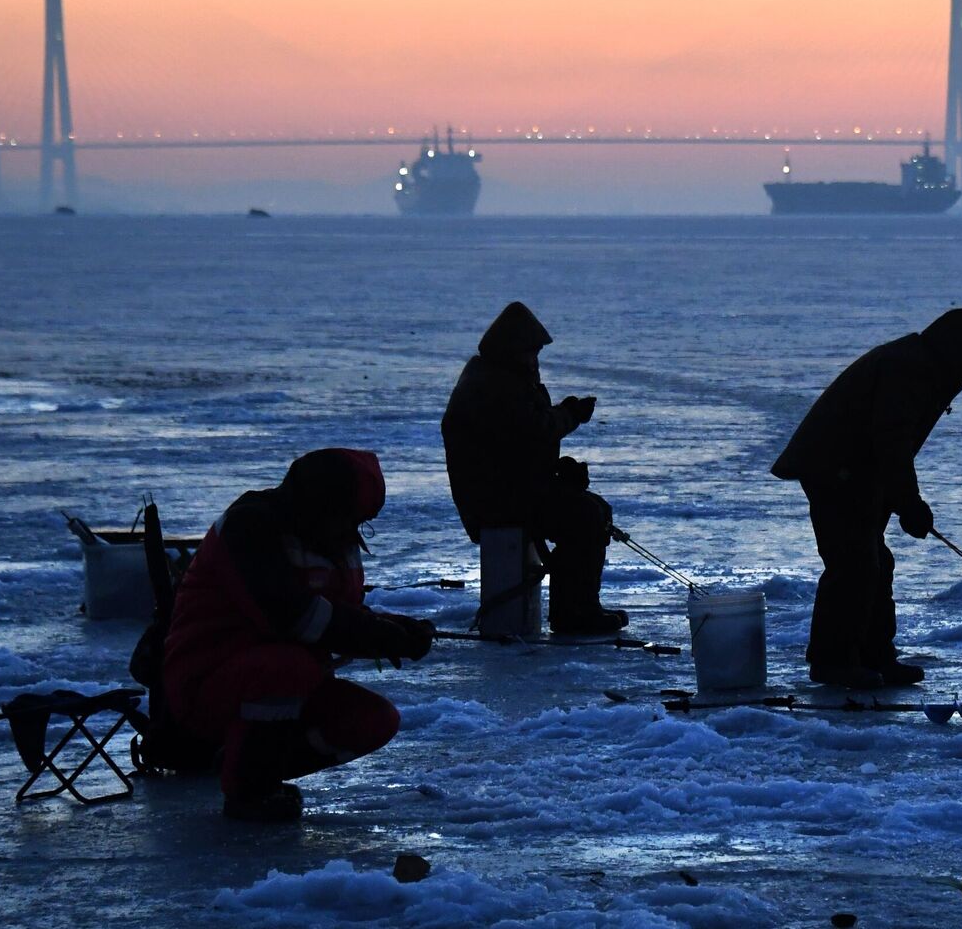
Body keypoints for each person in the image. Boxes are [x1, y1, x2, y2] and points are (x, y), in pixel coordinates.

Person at [162, 448, 434, 822]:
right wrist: (376, 635)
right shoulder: (251, 528)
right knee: (289, 667)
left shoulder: (330, 537)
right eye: (350, 518)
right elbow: (295, 618)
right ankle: (249, 791)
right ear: (323, 504)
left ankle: (244, 759)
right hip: (204, 682)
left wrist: (395, 628)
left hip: (285, 684)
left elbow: (342, 613)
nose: (354, 531)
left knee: (375, 719)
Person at [772, 307, 962, 689]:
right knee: (855, 563)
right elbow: (891, 442)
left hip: (856, 472)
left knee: (875, 561)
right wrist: (909, 504)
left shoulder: (919, 365)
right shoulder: (907, 369)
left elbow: (890, 449)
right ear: (951, 350)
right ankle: (833, 661)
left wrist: (899, 500)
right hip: (834, 468)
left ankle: (874, 655)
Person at [441, 301, 624, 636]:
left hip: (510, 490)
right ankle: (572, 615)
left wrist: (557, 473)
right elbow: (534, 429)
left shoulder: (498, 377)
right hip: (496, 502)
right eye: (532, 352)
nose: (535, 360)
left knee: (594, 510)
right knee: (584, 516)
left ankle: (583, 605)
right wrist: (571, 414)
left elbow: (519, 447)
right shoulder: (492, 384)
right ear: (514, 349)